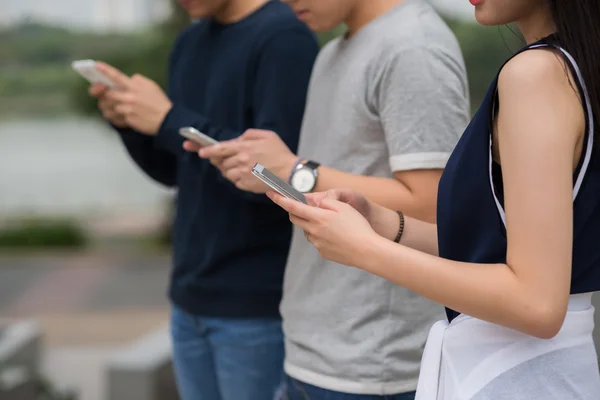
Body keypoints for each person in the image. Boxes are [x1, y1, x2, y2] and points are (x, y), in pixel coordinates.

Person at [266, 0, 600, 398]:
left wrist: (364, 248)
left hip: (514, 376)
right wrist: (382, 222)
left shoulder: (536, 75)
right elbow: (502, 249)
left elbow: (536, 303)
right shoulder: (569, 68)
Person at [185, 0, 470, 398]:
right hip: (312, 352)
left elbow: (432, 205)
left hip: (372, 365)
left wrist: (296, 169)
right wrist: (275, 171)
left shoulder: (414, 47)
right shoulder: (332, 52)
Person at [87, 0, 319, 399]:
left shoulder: (285, 37)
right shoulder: (191, 40)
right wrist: (130, 124)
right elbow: (175, 171)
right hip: (189, 296)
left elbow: (281, 185)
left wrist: (167, 118)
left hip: (257, 302)